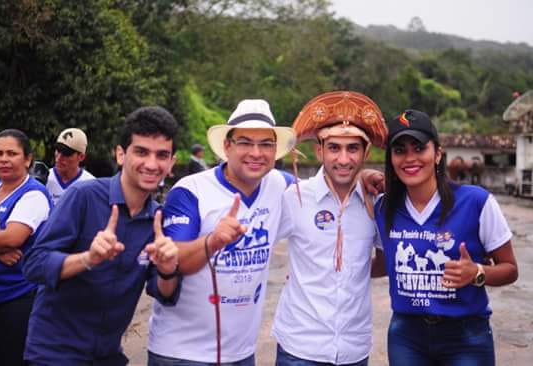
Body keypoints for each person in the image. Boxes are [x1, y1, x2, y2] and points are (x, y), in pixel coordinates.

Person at [22, 106, 181, 365]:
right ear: (121, 154)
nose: (152, 164)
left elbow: (165, 293)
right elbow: (34, 264)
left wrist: (167, 269)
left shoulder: (158, 222)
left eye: (162, 155)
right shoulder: (83, 197)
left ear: (171, 163)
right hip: (54, 353)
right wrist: (88, 258)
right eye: (141, 152)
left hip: (107, 355)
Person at [147, 99, 296, 365]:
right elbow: (174, 260)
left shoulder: (279, 185)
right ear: (227, 146)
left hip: (241, 353)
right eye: (245, 142)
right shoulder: (190, 191)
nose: (256, 152)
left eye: (266, 144)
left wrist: (361, 180)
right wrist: (213, 241)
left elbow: (322, 192)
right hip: (181, 354)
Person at [374, 109, 519, 366]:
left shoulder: (476, 202)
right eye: (400, 150)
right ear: (391, 159)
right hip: (407, 336)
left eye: (419, 148)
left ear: (438, 153)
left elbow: (510, 269)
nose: (410, 158)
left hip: (465, 336)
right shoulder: (384, 207)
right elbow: (384, 264)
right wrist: (319, 268)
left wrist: (477, 272)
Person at [272, 91, 387, 366]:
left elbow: (385, 262)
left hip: (353, 349)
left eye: (353, 148)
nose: (344, 159)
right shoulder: (295, 197)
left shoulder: (377, 204)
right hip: (299, 347)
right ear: (319, 150)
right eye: (334, 148)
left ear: (366, 152)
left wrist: (349, 271)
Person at [0, 129, 52, 365]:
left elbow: (13, 238)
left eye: (11, 153)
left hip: (16, 297)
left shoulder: (34, 194)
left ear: (28, 159)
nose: (3, 159)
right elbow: (2, 240)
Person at [46, 127, 95, 205]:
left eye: (66, 153)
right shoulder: (43, 179)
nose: (59, 158)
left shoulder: (90, 184)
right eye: (58, 150)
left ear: (81, 157)